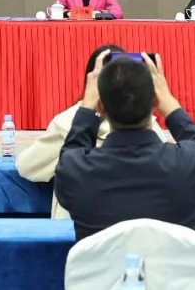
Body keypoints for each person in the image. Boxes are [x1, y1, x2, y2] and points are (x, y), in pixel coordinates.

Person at [54, 51, 195, 241]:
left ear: (100, 107)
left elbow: (69, 157)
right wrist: (171, 107)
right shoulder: (189, 163)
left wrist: (87, 108)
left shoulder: (77, 170)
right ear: (155, 101)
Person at [16, 44, 166, 218]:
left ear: (92, 84)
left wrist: (86, 106)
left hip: (75, 229)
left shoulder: (67, 123)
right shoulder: (148, 125)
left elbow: (27, 166)